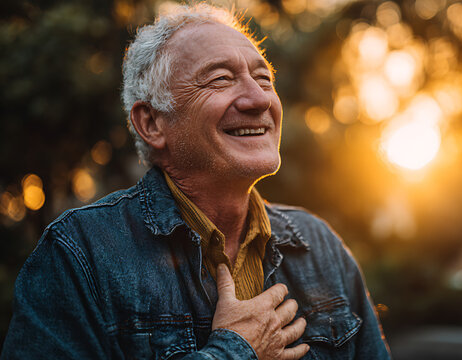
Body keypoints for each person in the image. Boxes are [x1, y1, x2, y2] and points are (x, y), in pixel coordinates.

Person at [1, 4, 390, 359]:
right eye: (221, 79)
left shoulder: (319, 244)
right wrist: (233, 352)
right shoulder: (79, 255)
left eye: (264, 78)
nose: (258, 99)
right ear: (152, 123)